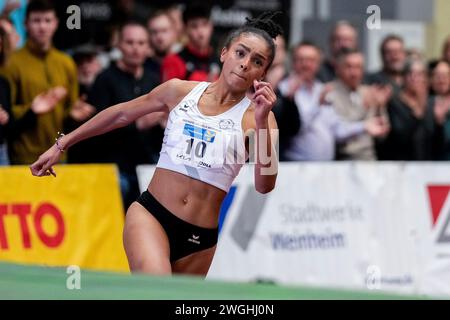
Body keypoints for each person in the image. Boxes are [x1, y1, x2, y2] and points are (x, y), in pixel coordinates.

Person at [30, 12, 282, 276]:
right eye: (240, 53)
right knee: (156, 292)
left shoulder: (262, 119)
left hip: (200, 239)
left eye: (257, 61)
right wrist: (62, 144)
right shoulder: (179, 91)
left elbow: (265, 185)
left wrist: (263, 122)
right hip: (152, 216)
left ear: (263, 73)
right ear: (223, 53)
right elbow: (121, 114)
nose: (244, 64)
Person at [1, 0, 92, 165]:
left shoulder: (66, 63)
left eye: (47, 20)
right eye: (36, 21)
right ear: (26, 24)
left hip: (60, 155)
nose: (42, 27)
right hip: (22, 157)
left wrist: (73, 114)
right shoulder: (10, 63)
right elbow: (7, 113)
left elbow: (68, 110)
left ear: (56, 23)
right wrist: (33, 109)